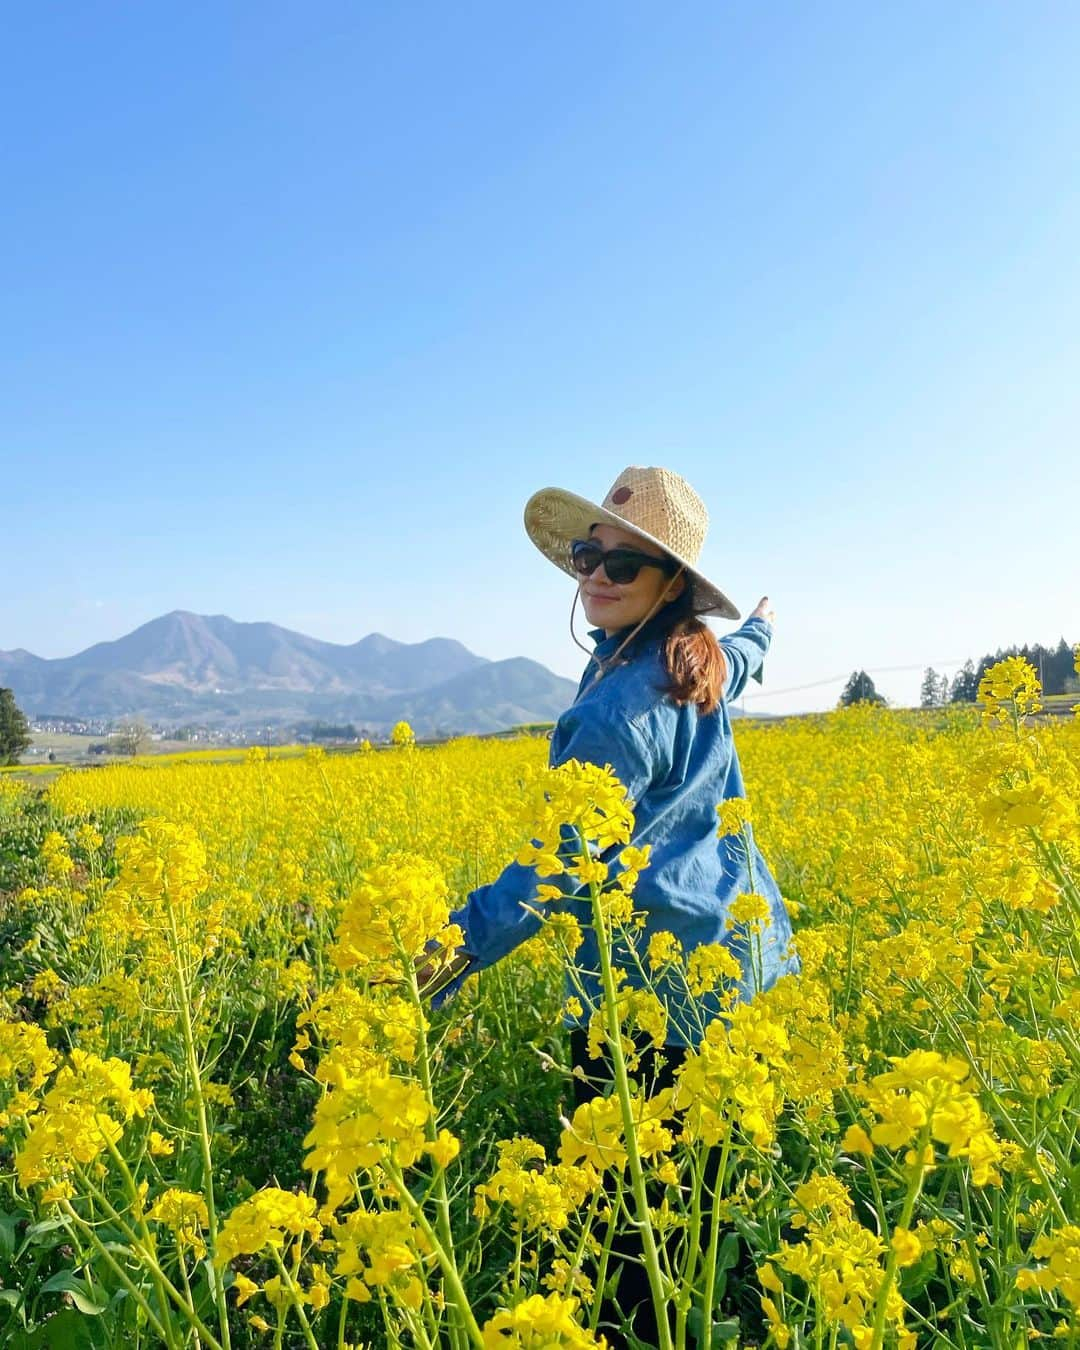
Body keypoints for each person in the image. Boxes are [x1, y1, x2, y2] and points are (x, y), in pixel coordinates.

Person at [422, 465, 800, 1344]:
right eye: (590, 555)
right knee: (702, 1222)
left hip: (649, 998)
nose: (595, 574)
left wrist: (446, 952)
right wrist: (765, 630)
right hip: (739, 965)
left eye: (622, 566)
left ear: (670, 586)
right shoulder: (691, 660)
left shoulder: (616, 708)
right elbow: (739, 662)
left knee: (625, 1245)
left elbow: (561, 869)